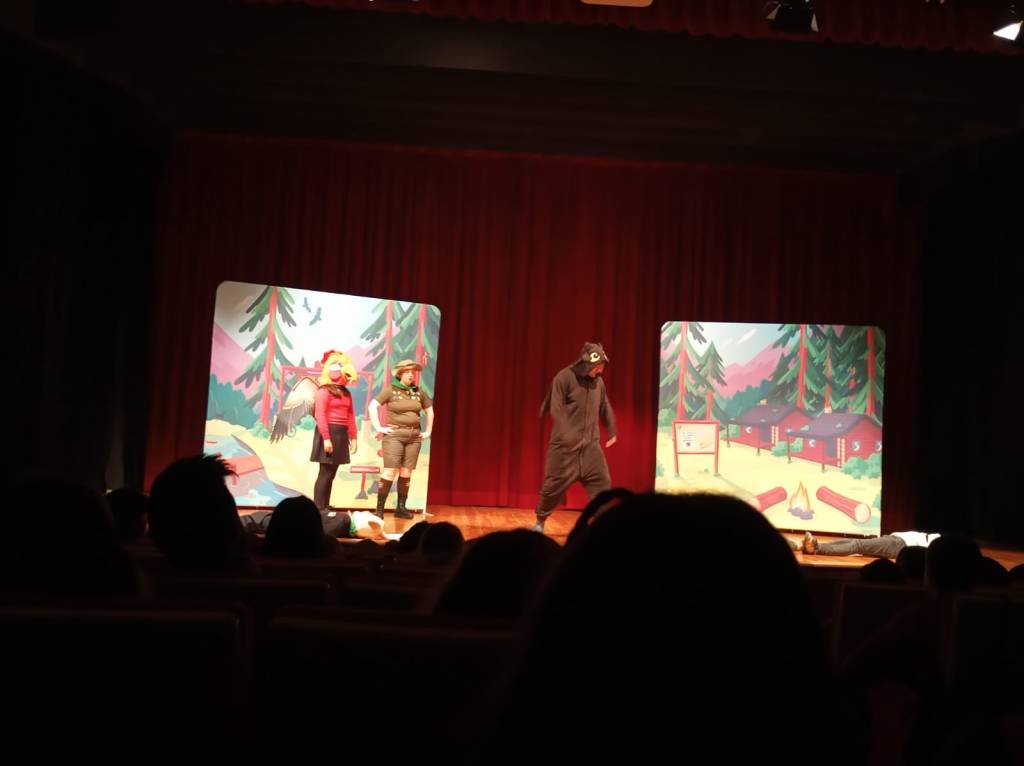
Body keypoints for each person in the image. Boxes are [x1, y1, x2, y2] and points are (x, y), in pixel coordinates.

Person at [531, 342, 617, 534]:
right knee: (551, 489)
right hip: (565, 449)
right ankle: (540, 522)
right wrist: (568, 435)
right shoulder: (564, 378)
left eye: (601, 366)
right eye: (596, 366)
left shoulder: (599, 383)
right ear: (586, 365)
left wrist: (612, 429)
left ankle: (605, 528)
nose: (600, 370)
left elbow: (605, 406)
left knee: (603, 486)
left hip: (591, 449)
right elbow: (556, 409)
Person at [270, 349, 359, 512]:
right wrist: (326, 438)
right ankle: (319, 507)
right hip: (328, 432)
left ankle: (325, 505)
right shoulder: (324, 391)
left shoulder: (346, 393)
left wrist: (353, 437)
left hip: (341, 433)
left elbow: (350, 415)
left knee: (332, 473)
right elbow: (320, 414)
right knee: (325, 472)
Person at [369, 358, 435, 520]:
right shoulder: (391, 390)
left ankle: (401, 507)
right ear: (400, 374)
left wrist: (428, 431)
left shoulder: (418, 392)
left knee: (406, 472)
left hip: (414, 437)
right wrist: (379, 427)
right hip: (395, 436)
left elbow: (429, 411)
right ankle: (379, 510)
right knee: (390, 471)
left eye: (413, 372)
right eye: (408, 372)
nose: (412, 374)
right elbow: (372, 406)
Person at [802, 530, 940, 558]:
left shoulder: (939, 545)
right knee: (852, 542)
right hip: (895, 540)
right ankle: (815, 545)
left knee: (857, 545)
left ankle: (816, 548)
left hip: (898, 544)